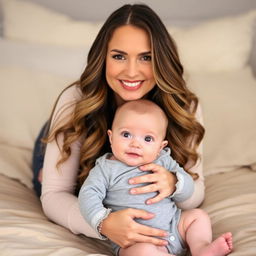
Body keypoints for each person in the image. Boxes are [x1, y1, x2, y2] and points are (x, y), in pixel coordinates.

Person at [32, 3, 207, 251]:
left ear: (162, 60)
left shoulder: (184, 106)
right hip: (79, 135)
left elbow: (197, 193)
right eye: (119, 56)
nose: (132, 72)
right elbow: (54, 196)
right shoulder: (75, 101)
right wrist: (103, 223)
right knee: (54, 181)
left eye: (146, 57)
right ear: (102, 58)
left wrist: (174, 183)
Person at [78, 99, 233, 256]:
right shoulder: (104, 169)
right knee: (143, 252)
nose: (135, 144)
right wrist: (103, 220)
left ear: (160, 147)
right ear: (111, 137)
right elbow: (87, 195)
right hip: (136, 239)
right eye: (126, 134)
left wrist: (175, 182)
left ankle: (201, 248)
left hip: (175, 226)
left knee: (198, 217)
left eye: (147, 139)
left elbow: (188, 190)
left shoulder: (163, 160)